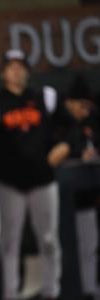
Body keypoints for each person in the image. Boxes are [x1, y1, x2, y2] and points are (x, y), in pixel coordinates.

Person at [0, 49, 63, 300]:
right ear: (4, 72)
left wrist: (66, 146)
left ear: (27, 70)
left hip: (43, 180)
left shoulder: (45, 97)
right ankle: (10, 293)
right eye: (11, 66)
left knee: (49, 239)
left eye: (20, 66)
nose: (16, 71)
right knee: (9, 243)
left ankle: (52, 292)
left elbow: (68, 127)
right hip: (10, 183)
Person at [54, 75, 99, 300]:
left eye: (88, 106)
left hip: (90, 191)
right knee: (76, 246)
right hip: (67, 197)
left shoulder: (91, 122)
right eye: (82, 105)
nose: (85, 110)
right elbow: (53, 158)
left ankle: (91, 288)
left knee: (91, 244)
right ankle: (77, 290)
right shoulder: (59, 124)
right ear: (70, 103)